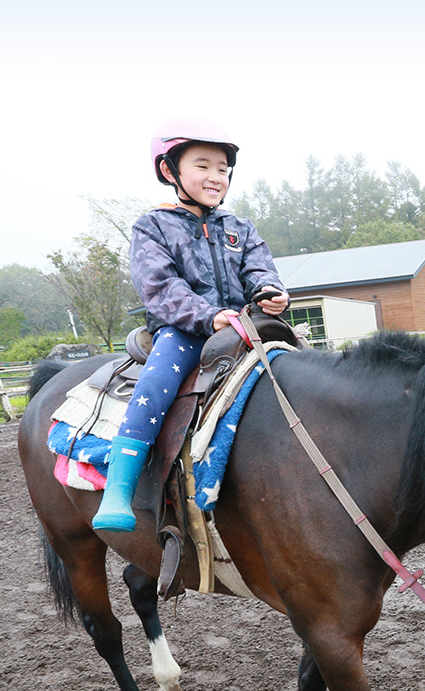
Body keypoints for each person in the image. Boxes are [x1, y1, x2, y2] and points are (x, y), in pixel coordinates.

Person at [92, 117, 289, 533]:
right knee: (156, 385)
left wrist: (271, 292)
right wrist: (207, 315)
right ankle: (119, 488)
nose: (215, 176)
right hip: (183, 329)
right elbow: (159, 286)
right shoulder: (152, 226)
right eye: (202, 165)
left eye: (222, 169)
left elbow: (259, 268)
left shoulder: (240, 227)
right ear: (170, 171)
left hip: (243, 323)